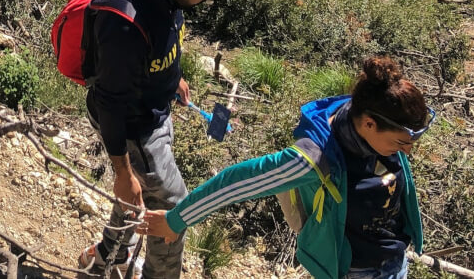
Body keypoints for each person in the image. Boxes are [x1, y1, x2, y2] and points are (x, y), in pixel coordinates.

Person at [142, 56, 430, 279]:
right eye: (402, 142)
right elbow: (235, 183)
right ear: (369, 124)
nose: (407, 151)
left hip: (395, 259)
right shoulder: (314, 158)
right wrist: (175, 221)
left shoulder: (370, 114)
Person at [80, 0, 229, 279]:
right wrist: (121, 171)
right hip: (135, 127)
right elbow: (108, 101)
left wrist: (171, 75)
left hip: (151, 108)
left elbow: (161, 34)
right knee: (174, 208)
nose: (205, 3)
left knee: (140, 190)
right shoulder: (124, 24)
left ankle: (108, 255)